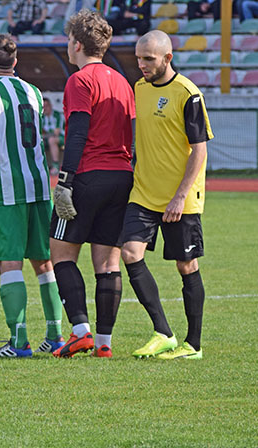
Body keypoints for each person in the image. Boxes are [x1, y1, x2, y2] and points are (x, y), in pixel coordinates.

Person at [0, 34, 64, 358]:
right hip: (39, 186)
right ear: (15, 62)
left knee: (9, 261)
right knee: (43, 261)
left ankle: (19, 341)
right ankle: (55, 335)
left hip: (7, 189)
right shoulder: (32, 92)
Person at [121, 30, 212, 360]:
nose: (142, 65)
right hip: (144, 193)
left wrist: (179, 196)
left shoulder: (188, 93)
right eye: (138, 59)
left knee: (186, 266)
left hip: (180, 199)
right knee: (130, 252)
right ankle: (163, 332)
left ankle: (193, 345)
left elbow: (199, 151)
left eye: (149, 59)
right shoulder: (139, 88)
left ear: (167, 58)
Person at [49, 10, 135, 358]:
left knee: (60, 253)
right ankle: (103, 343)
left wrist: (65, 180)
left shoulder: (79, 80)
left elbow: (78, 132)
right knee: (108, 262)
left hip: (88, 175)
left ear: (77, 44)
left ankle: (80, 331)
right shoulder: (122, 81)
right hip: (122, 175)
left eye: (69, 39)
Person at [41, 97, 64, 175]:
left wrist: (45, 135)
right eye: (43, 107)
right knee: (37, 142)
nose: (45, 108)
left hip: (62, 138)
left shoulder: (57, 115)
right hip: (48, 138)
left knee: (52, 140)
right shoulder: (42, 117)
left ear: (51, 105)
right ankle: (42, 166)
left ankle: (55, 166)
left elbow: (56, 132)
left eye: (46, 106)